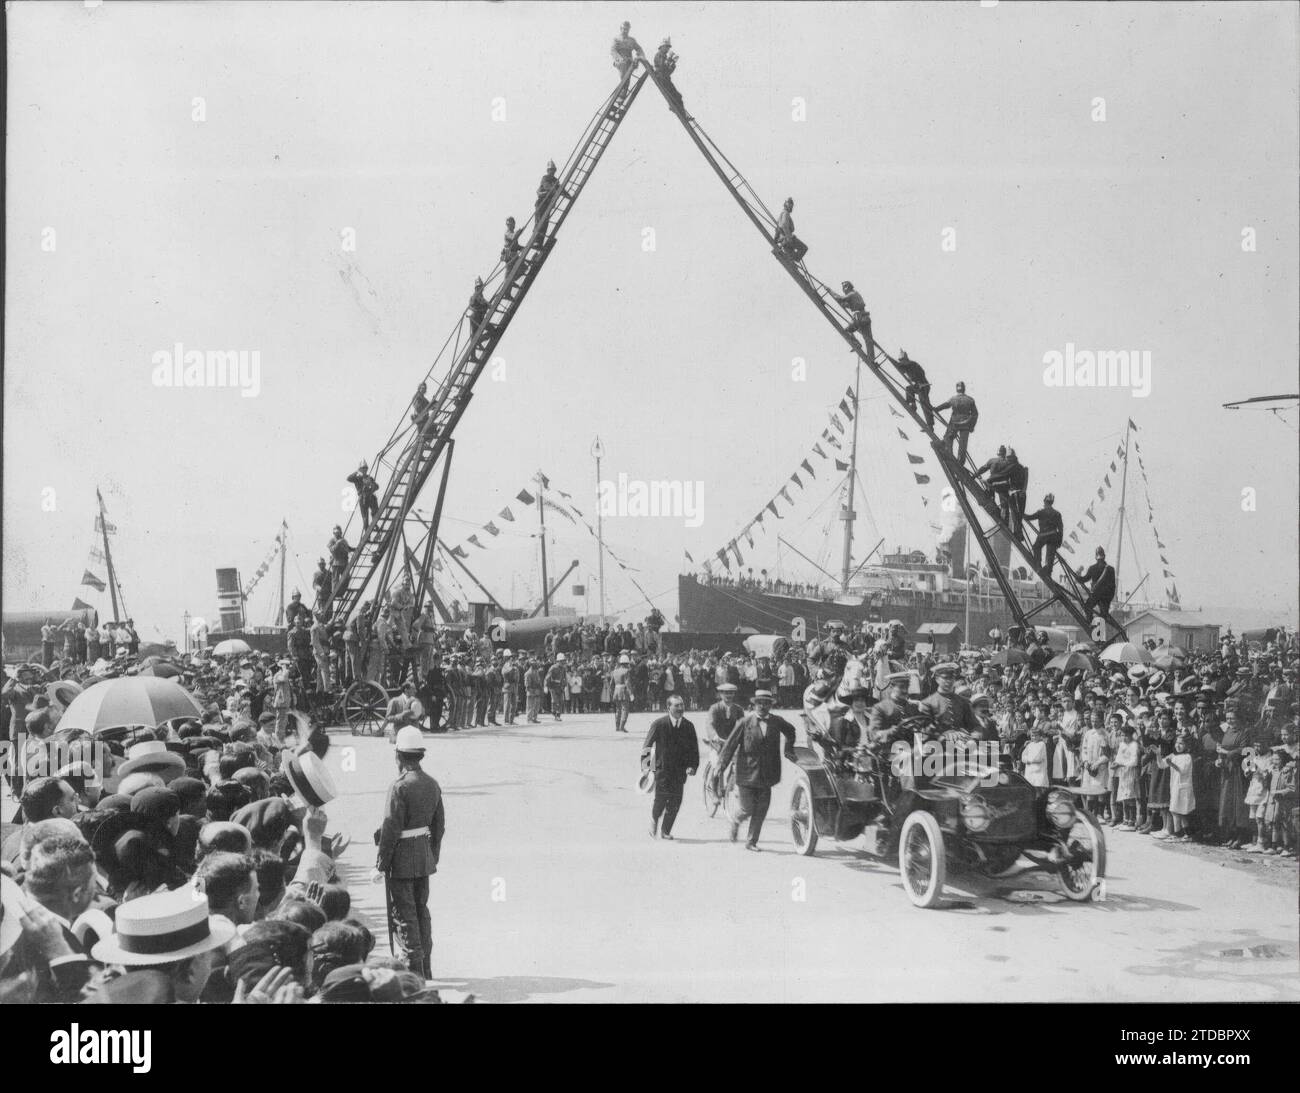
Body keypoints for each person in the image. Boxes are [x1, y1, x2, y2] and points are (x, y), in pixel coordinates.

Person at [376, 726, 444, 979]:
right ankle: (426, 967)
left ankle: (414, 971)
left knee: (404, 914)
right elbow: (439, 826)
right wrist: (432, 855)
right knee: (421, 910)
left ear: (399, 757)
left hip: (401, 859)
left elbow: (390, 827)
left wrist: (381, 863)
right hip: (423, 856)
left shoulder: (399, 787)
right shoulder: (432, 784)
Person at [715, 690, 797, 851]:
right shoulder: (745, 722)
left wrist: (788, 749)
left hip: (768, 773)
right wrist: (721, 765)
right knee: (747, 808)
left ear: (771, 705)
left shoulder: (776, 721)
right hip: (746, 772)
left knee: (761, 809)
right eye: (759, 703)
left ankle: (751, 842)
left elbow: (791, 731)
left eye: (766, 703)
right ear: (754, 705)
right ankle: (736, 821)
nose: (762, 706)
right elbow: (730, 745)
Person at [642, 695, 699, 840]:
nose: (680, 708)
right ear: (669, 708)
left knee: (675, 802)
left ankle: (665, 830)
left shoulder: (688, 726)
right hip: (662, 770)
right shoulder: (659, 724)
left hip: (680, 772)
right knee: (661, 799)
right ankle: (654, 819)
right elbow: (647, 745)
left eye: (682, 705)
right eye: (677, 706)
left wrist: (692, 766)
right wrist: (646, 768)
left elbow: (694, 749)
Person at [933, 381, 978, 464]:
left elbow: (946, 405)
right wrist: (972, 426)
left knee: (948, 438)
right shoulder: (970, 400)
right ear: (964, 389)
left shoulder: (953, 399)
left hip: (954, 423)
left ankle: (949, 454)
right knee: (963, 444)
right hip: (966, 424)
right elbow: (975, 414)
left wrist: (936, 409)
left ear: (957, 389)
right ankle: (960, 461)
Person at [1024, 493, 1064, 576]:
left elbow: (1029, 517)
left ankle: (1038, 565)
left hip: (1043, 535)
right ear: (1052, 502)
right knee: (1050, 554)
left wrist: (1020, 513)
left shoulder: (1041, 512)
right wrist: (1059, 541)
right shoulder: (1057, 514)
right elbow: (1061, 529)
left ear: (1045, 502)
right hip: (1054, 536)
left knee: (1036, 547)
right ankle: (1048, 571)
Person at [975, 446, 1013, 525]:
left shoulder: (992, 461)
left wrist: (975, 475)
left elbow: (983, 469)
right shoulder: (1007, 462)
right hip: (1003, 486)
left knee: (990, 497)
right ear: (1004, 453)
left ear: (998, 453)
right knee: (1004, 505)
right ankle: (1004, 522)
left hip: (991, 483)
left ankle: (992, 503)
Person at [1078, 547, 1117, 625]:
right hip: (1106, 596)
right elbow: (1113, 586)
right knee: (1103, 615)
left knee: (1087, 607)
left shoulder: (1092, 568)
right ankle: (1099, 630)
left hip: (1096, 594)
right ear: (1104, 556)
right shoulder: (1110, 569)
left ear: (1096, 557)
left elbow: (1083, 579)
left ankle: (1090, 622)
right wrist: (1109, 597)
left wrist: (1078, 575)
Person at [893, 351, 933, 426]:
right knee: (909, 389)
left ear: (905, 359)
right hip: (918, 386)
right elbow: (900, 366)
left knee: (924, 404)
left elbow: (919, 372)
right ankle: (913, 404)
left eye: (902, 360)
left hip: (923, 386)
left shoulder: (912, 364)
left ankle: (930, 425)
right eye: (900, 360)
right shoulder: (907, 365)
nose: (901, 362)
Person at [610, 21, 645, 103]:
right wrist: (619, 58)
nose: (625, 31)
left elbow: (639, 48)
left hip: (629, 61)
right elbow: (613, 50)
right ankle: (620, 94)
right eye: (624, 29)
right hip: (620, 61)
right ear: (621, 29)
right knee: (624, 76)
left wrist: (641, 56)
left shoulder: (632, 40)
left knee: (627, 78)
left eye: (627, 29)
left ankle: (622, 95)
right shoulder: (616, 39)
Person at [831, 281, 871, 350]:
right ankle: (871, 359)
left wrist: (830, 291)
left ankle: (856, 343)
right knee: (868, 340)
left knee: (847, 331)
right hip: (865, 317)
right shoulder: (856, 294)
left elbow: (840, 299)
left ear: (850, 287)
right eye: (843, 288)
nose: (844, 289)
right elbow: (851, 305)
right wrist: (844, 304)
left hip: (859, 317)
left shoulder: (851, 294)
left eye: (845, 287)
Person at [347, 463, 380, 530]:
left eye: (365, 469)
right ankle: (367, 531)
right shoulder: (357, 478)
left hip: (370, 496)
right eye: (363, 469)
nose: (364, 470)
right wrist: (357, 472)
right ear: (360, 469)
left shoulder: (369, 478)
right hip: (363, 498)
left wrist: (372, 486)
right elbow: (348, 478)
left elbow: (377, 486)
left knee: (375, 511)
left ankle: (374, 523)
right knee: (365, 517)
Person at [1005, 449, 1029, 536]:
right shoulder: (1022, 467)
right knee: (1020, 515)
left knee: (1015, 514)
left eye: (1008, 458)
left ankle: (1018, 533)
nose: (1007, 460)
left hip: (1014, 494)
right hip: (1022, 494)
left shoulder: (1011, 468)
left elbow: (1006, 481)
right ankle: (1019, 533)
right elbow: (1025, 481)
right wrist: (1023, 491)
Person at [610, 654, 633, 732]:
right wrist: (631, 693)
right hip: (624, 691)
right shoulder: (627, 671)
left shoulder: (615, 671)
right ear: (627, 663)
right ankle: (622, 726)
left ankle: (617, 726)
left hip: (616, 691)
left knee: (618, 709)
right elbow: (628, 683)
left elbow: (611, 684)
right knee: (625, 709)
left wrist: (613, 692)